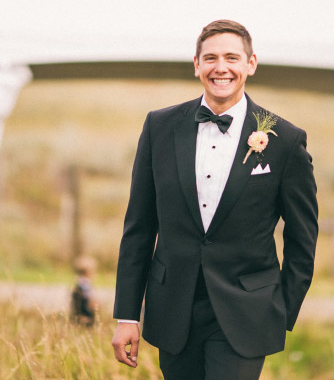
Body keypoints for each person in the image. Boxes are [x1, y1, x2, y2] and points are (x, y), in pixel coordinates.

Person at [111, 20, 319, 380]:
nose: (220, 68)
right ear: (196, 65)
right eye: (210, 58)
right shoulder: (159, 128)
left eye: (231, 58)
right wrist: (128, 314)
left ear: (250, 64)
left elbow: (303, 236)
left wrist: (281, 309)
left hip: (246, 312)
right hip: (172, 308)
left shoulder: (285, 140)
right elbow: (139, 227)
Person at [71, 255, 98, 327]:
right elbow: (77, 304)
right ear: (86, 273)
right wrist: (80, 316)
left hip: (87, 316)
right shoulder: (81, 288)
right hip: (84, 317)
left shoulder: (86, 286)